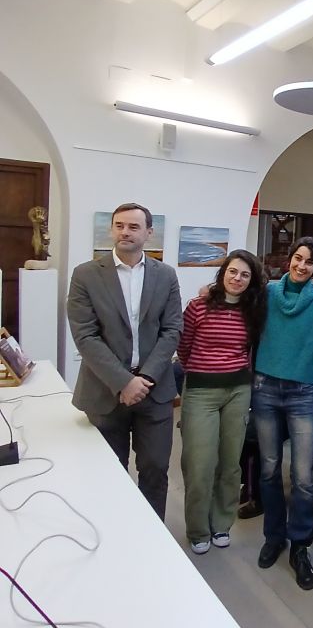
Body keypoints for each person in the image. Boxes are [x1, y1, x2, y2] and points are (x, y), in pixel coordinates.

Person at [67, 203, 182, 520]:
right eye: (119, 225)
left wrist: (144, 378)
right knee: (108, 473)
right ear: (111, 229)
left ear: (149, 232)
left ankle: (152, 537)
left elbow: (172, 330)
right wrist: (123, 382)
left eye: (133, 227)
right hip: (104, 392)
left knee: (155, 470)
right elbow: (85, 336)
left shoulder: (166, 276)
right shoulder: (86, 275)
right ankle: (113, 535)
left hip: (154, 392)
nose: (125, 232)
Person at [253, 236, 313, 591]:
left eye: (310, 262)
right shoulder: (268, 294)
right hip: (265, 388)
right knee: (269, 468)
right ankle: (274, 536)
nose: (302, 265)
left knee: (303, 476)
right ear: (289, 259)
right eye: (298, 258)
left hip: (305, 395)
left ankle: (299, 546)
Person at [177, 250, 267, 554]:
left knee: (230, 464)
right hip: (200, 393)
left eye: (245, 275)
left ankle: (221, 524)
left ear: (252, 280)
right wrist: (203, 371)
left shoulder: (253, 309)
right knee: (199, 464)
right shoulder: (198, 306)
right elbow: (184, 348)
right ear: (223, 272)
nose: (237, 279)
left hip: (238, 392)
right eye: (233, 272)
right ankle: (198, 529)